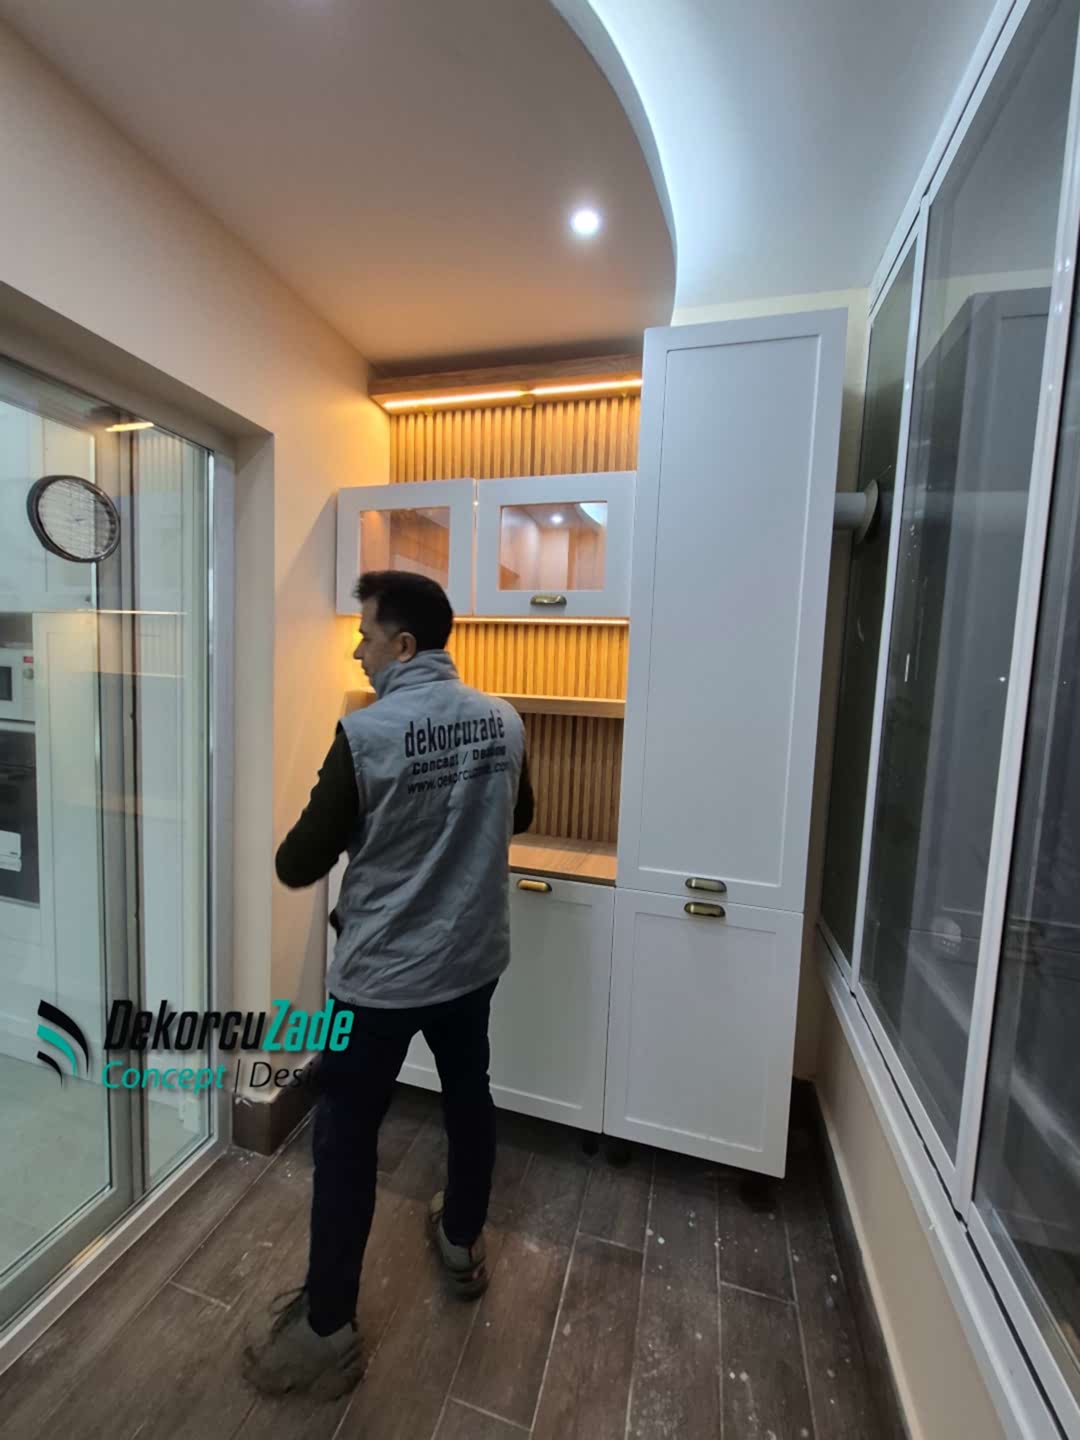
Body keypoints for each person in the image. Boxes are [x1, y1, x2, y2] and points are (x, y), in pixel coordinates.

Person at [243, 569, 534, 1400]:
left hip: (379, 980)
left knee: (344, 1138)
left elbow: (297, 862)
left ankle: (328, 1330)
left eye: (365, 636)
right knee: (468, 1096)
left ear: (403, 645)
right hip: (471, 962)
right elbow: (518, 816)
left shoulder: (366, 735)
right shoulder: (504, 719)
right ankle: (462, 1242)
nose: (358, 651)